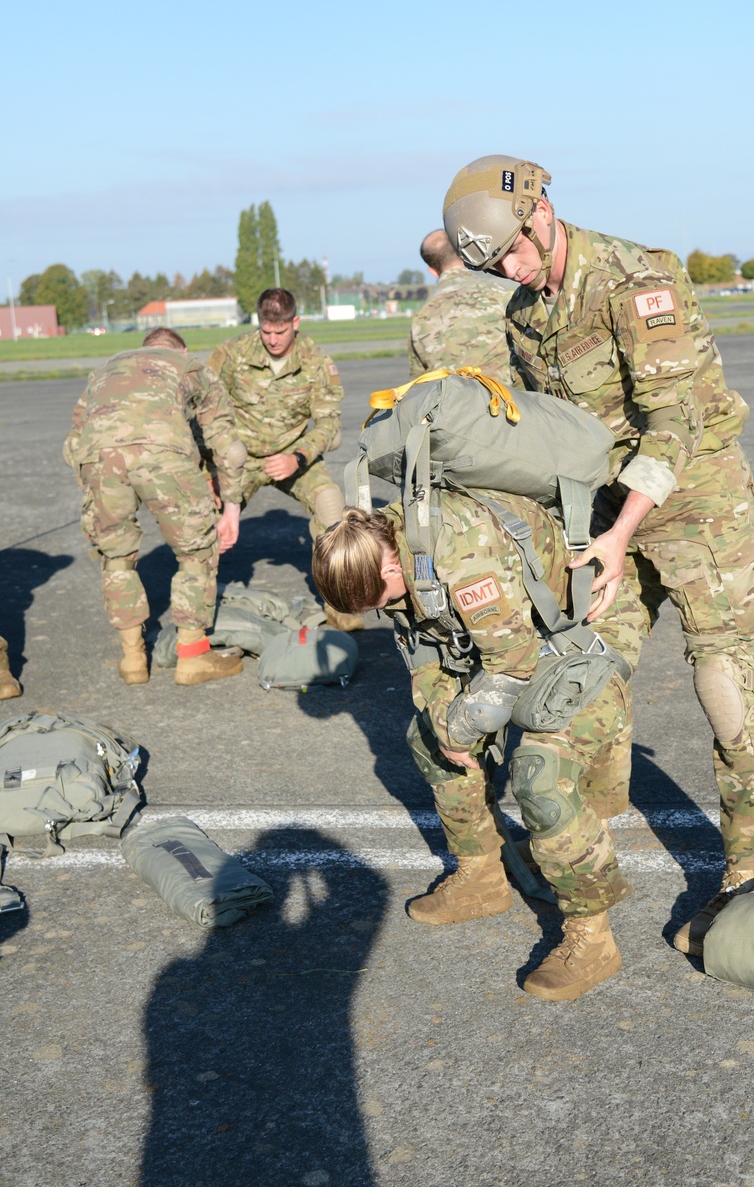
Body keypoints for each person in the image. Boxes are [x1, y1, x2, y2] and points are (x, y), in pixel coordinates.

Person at [442, 155, 754, 956]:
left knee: (724, 679)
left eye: (515, 254)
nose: (512, 273)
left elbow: (671, 421)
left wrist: (619, 534)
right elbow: (559, 435)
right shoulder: (523, 314)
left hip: (696, 501)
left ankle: (753, 871)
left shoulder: (637, 280)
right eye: (495, 266)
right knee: (587, 658)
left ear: (541, 211)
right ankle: (592, 826)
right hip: (605, 513)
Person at [312, 493, 646, 1000]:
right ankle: (481, 876)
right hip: (512, 640)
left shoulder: (459, 553)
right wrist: (445, 726)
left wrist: (461, 728)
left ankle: (592, 936)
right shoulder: (392, 553)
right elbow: (426, 649)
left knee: (540, 772)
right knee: (431, 737)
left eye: (378, 600)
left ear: (389, 564)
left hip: (583, 631)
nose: (384, 610)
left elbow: (511, 665)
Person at [64, 328, 246, 686]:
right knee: (195, 550)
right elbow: (228, 446)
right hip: (164, 454)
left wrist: (92, 488)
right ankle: (193, 656)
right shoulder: (189, 364)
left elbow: (74, 441)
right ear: (182, 349)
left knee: (115, 555)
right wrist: (231, 509)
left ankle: (133, 658)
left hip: (100, 459)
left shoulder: (105, 369)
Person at [207, 287, 361, 630]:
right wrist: (210, 470)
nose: (273, 339)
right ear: (258, 324)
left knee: (331, 505)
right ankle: (199, 614)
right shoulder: (231, 353)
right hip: (239, 459)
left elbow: (328, 423)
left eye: (281, 331)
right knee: (204, 517)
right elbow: (207, 412)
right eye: (266, 331)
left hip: (293, 454)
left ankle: (338, 604)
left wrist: (298, 457)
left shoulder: (316, 360)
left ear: (296, 322)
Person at [408, 229, 514, 379]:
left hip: (448, 401)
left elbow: (419, 384)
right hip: (502, 399)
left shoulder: (420, 319)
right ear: (465, 256)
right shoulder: (503, 297)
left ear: (432, 271)